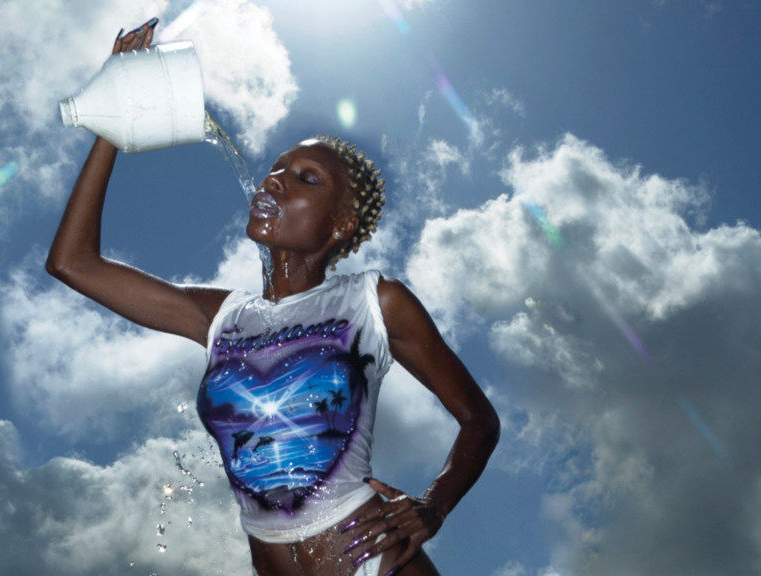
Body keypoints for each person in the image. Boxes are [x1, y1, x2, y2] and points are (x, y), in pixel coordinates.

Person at [46, 19, 500, 576]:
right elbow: (72, 263)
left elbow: (479, 419)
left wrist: (436, 503)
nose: (274, 182)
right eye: (276, 170)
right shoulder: (221, 317)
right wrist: (113, 118)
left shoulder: (375, 304)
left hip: (371, 561)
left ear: (341, 224)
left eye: (306, 179)